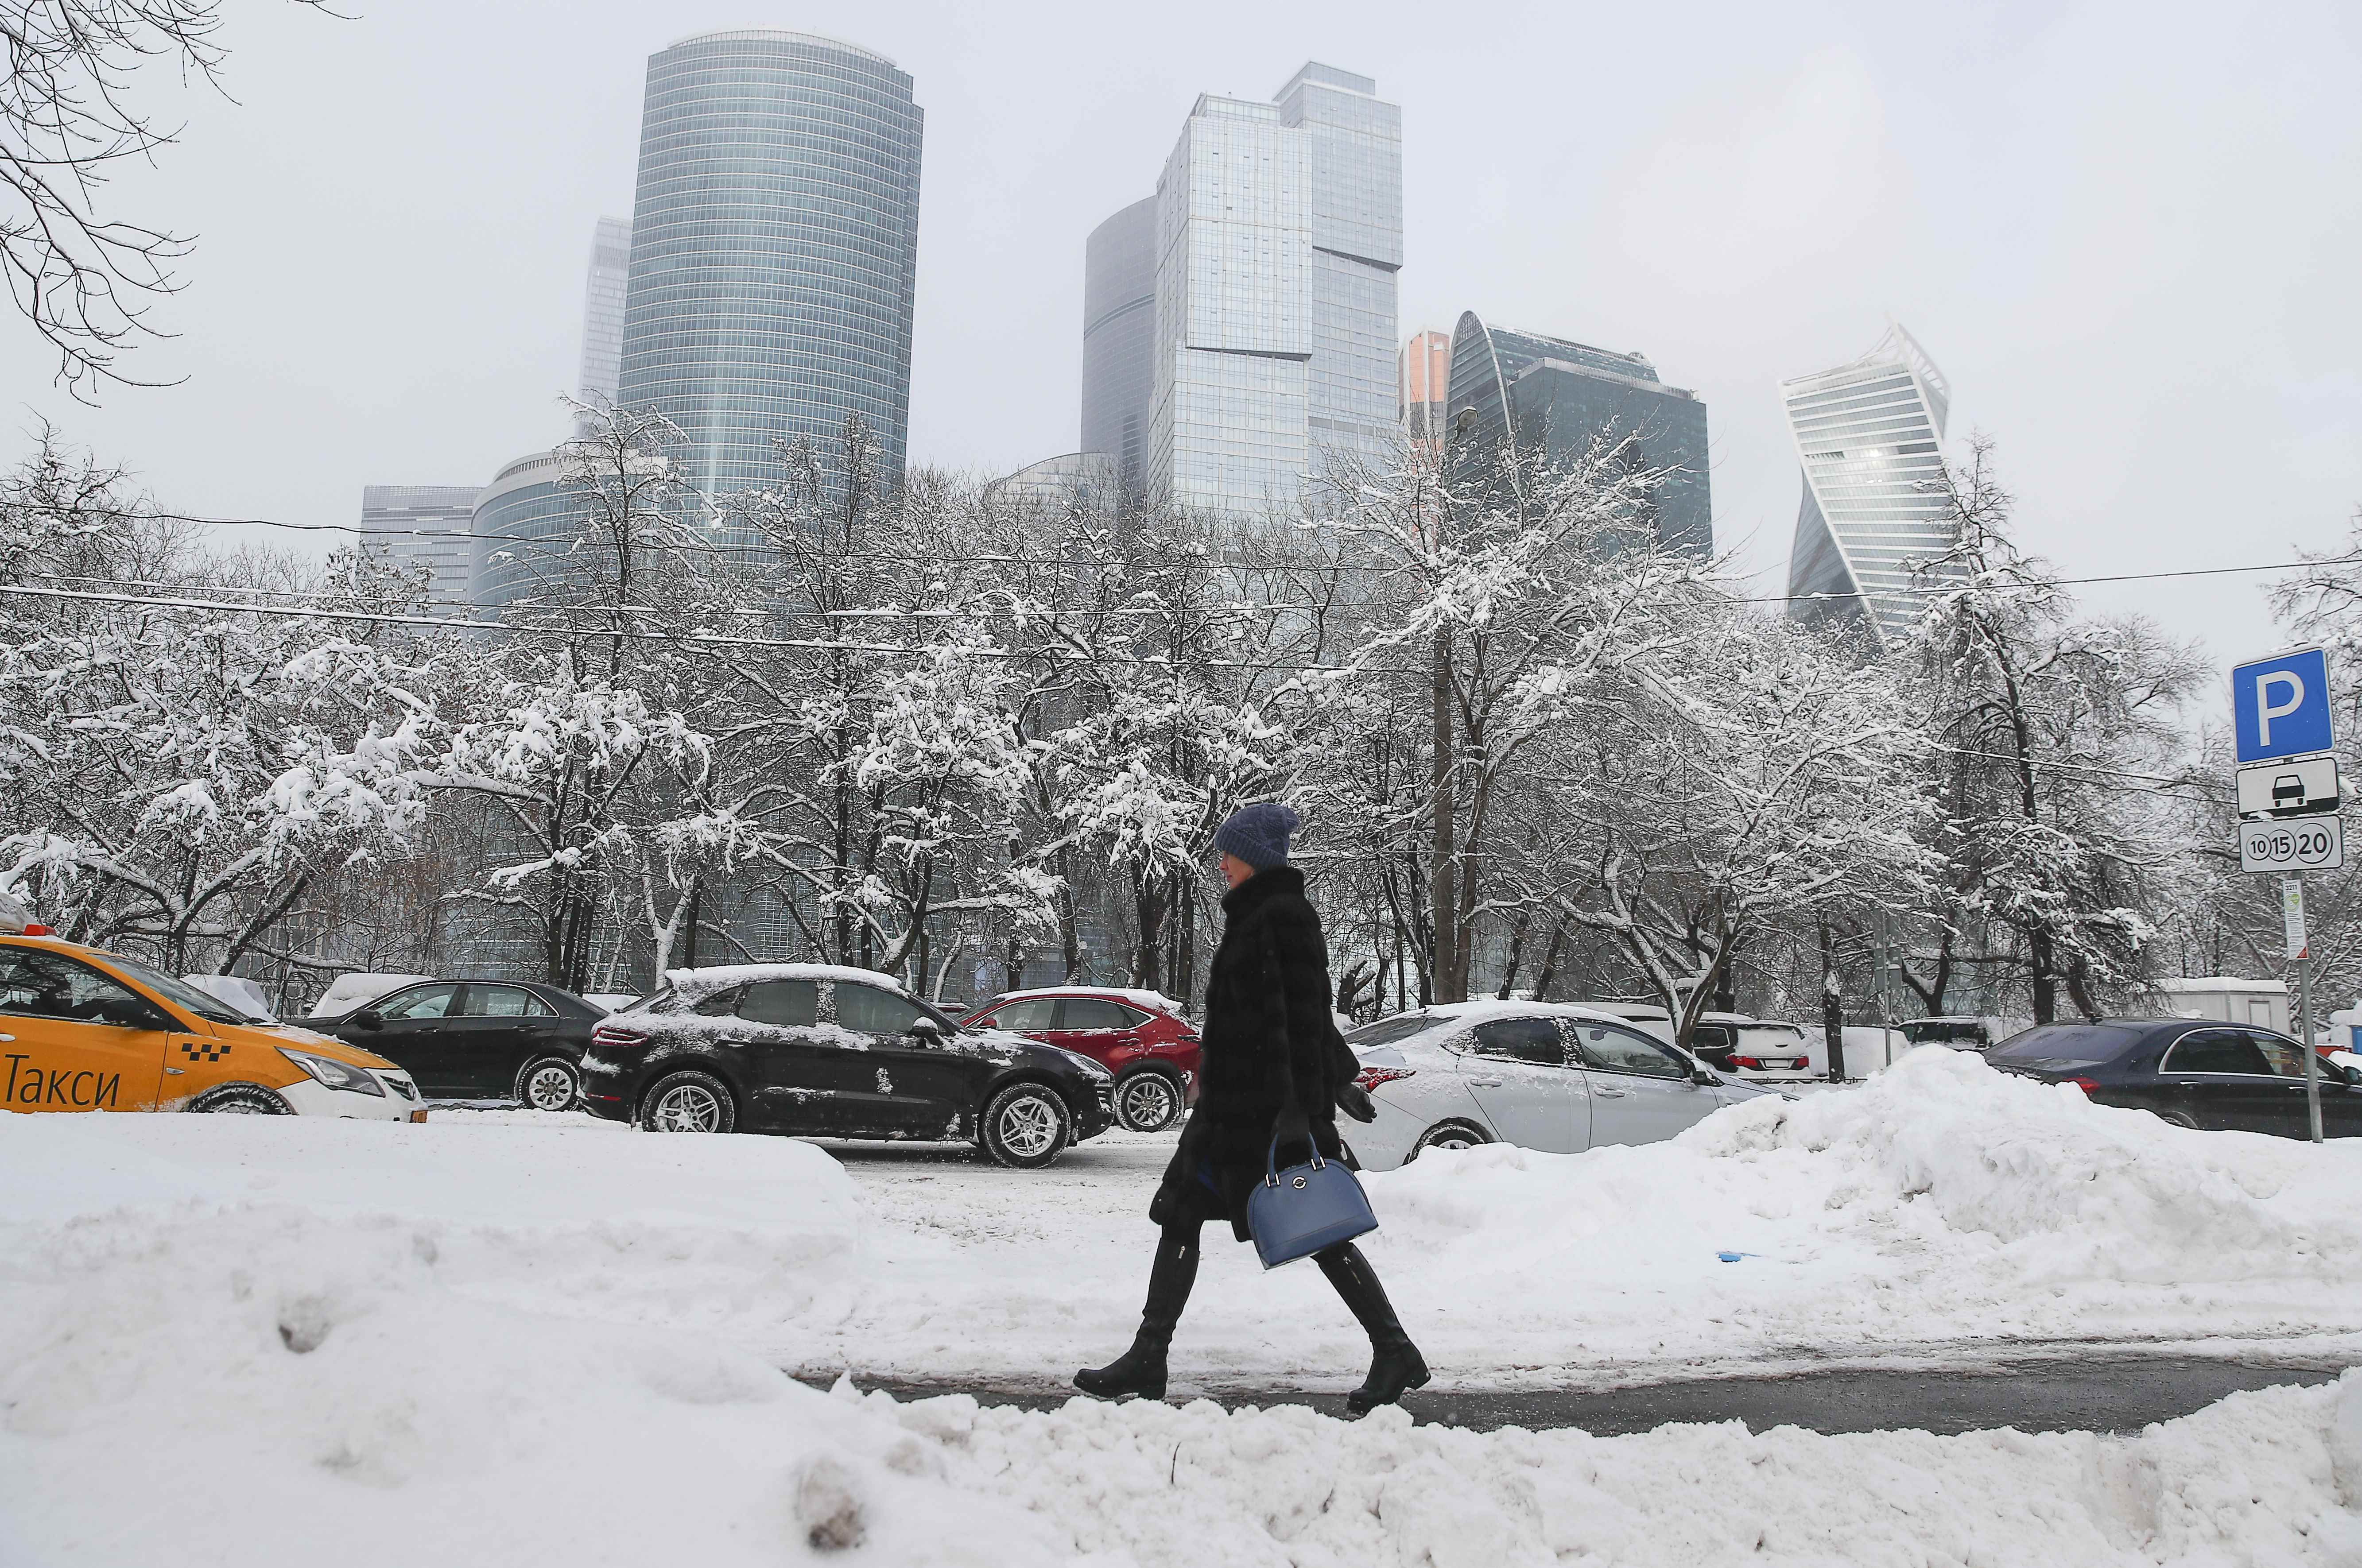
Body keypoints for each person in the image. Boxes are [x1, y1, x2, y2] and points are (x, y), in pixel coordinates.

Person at [1074, 801, 1428, 1413]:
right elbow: (1300, 1014)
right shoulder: (1257, 915)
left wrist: (1308, 1102)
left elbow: (1303, 1013)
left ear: (1256, 857)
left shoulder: (1283, 916)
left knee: (1317, 1226)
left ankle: (1394, 1348)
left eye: (1229, 851)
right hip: (1232, 1111)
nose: (1221, 861)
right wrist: (1336, 1076)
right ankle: (1149, 1354)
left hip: (1265, 1112)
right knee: (1181, 1212)